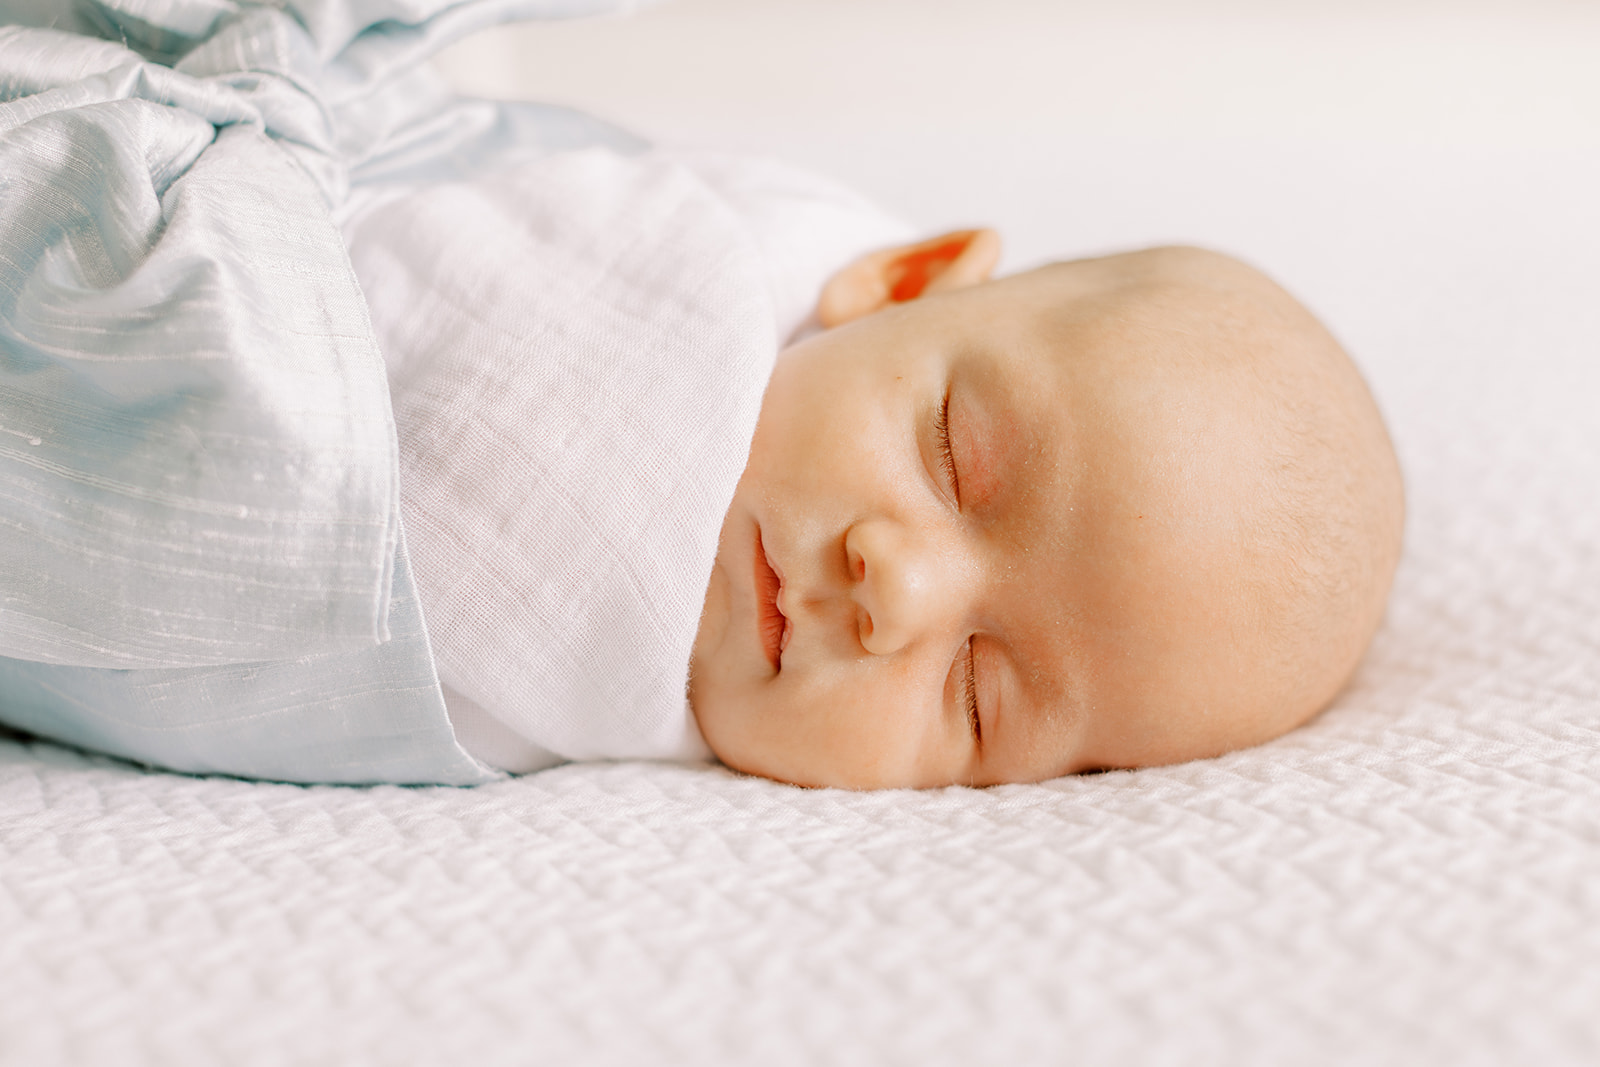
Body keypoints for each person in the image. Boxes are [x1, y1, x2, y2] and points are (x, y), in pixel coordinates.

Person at [689, 233, 1405, 788]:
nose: (902, 591)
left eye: (976, 695)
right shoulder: (661, 266)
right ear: (902, 286)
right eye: (952, 457)